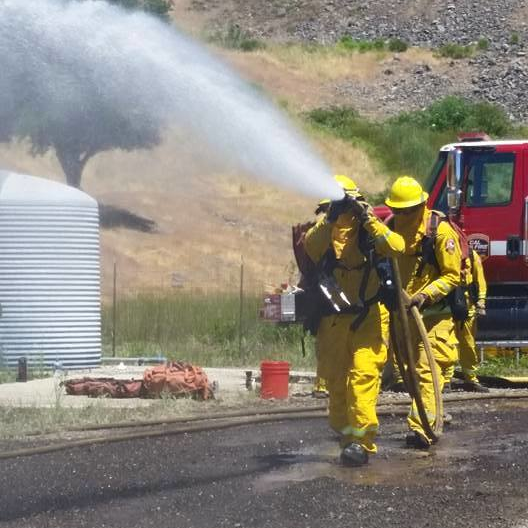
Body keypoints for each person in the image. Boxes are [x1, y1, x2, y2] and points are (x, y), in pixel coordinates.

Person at [304, 175, 404, 466]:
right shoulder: (322, 233)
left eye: (340, 207)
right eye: (331, 208)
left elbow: (395, 247)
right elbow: (312, 247)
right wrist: (331, 218)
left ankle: (361, 443)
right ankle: (347, 438)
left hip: (368, 319)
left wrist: (367, 217)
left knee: (362, 378)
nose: (337, 213)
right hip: (333, 322)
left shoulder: (369, 231)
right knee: (335, 382)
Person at [385, 176, 461, 448]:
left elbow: (453, 276)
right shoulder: (390, 231)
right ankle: (429, 414)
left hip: (434, 316)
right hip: (404, 317)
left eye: (409, 210)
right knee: (411, 372)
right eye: (399, 210)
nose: (404, 216)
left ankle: (423, 428)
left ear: (423, 204)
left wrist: (425, 295)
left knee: (426, 368)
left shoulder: (439, 233)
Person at [456, 249, 489, 392]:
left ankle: (470, 379)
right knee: (445, 343)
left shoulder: (470, 254)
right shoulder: (441, 249)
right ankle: (444, 381)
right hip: (447, 304)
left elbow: (480, 280)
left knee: (468, 344)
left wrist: (481, 301)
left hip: (466, 305)